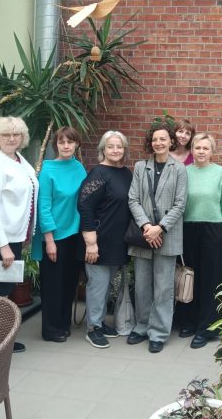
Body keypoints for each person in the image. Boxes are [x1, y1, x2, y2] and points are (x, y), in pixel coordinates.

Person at [0, 116, 38, 353]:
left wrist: (23, 236)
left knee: (5, 290)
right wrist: (3, 246)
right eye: (6, 134)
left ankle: (0, 343)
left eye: (16, 134)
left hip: (14, 238)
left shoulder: (18, 159)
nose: (11, 139)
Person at [127, 124, 187, 353]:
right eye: (155, 139)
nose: (159, 143)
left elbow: (180, 204)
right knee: (142, 285)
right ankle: (142, 326)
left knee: (163, 288)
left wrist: (159, 228)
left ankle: (159, 332)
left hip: (167, 235)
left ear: (171, 142)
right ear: (150, 143)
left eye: (163, 139)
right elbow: (133, 199)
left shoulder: (179, 169)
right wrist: (147, 226)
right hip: (143, 235)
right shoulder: (140, 167)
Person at [177, 133, 222, 349]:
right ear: (192, 150)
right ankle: (189, 322)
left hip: (213, 229)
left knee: (210, 278)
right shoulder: (184, 172)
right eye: (197, 148)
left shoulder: (220, 173)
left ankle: (207, 328)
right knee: (189, 276)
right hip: (188, 229)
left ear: (212, 151)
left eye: (205, 148)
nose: (201, 151)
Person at [78, 130, 132, 349]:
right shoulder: (98, 174)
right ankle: (93, 329)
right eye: (111, 146)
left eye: (119, 146)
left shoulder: (126, 173)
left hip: (117, 241)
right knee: (97, 286)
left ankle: (99, 322)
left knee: (106, 284)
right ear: (103, 149)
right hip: (98, 241)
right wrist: (91, 242)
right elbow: (84, 205)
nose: (115, 150)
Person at [31, 127, 86, 342]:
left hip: (75, 235)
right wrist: (49, 240)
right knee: (53, 285)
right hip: (54, 236)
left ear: (76, 144)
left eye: (70, 142)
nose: (66, 146)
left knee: (69, 283)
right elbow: (43, 207)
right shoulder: (47, 169)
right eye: (61, 142)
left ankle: (64, 324)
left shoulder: (79, 168)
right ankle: (50, 329)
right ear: (56, 145)